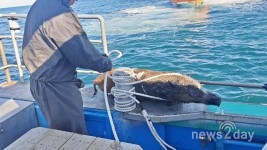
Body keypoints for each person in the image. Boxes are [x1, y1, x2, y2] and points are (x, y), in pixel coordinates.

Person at [22, 0, 112, 135]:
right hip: (56, 89)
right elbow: (82, 55)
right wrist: (105, 63)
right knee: (73, 137)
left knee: (61, 134)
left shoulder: (41, 4)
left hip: (39, 82)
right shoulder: (60, 13)